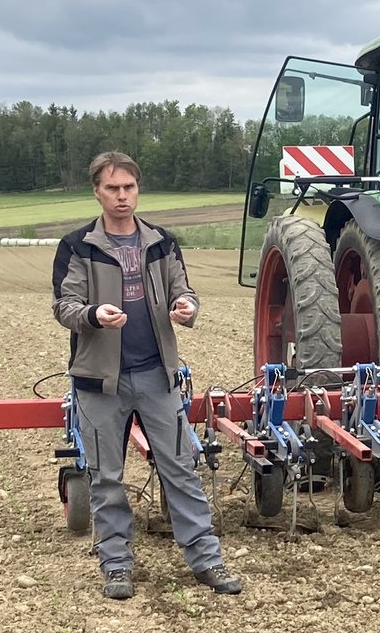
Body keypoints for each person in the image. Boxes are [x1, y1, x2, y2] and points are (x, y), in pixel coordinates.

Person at [52, 151, 242, 600]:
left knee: (180, 469)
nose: (122, 196)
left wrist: (188, 308)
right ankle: (116, 565)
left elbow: (185, 289)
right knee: (106, 477)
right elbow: (64, 306)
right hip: (100, 382)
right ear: (97, 191)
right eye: (113, 188)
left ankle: (207, 560)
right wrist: (95, 314)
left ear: (139, 189)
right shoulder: (78, 246)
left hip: (157, 376)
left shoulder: (161, 243)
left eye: (129, 188)